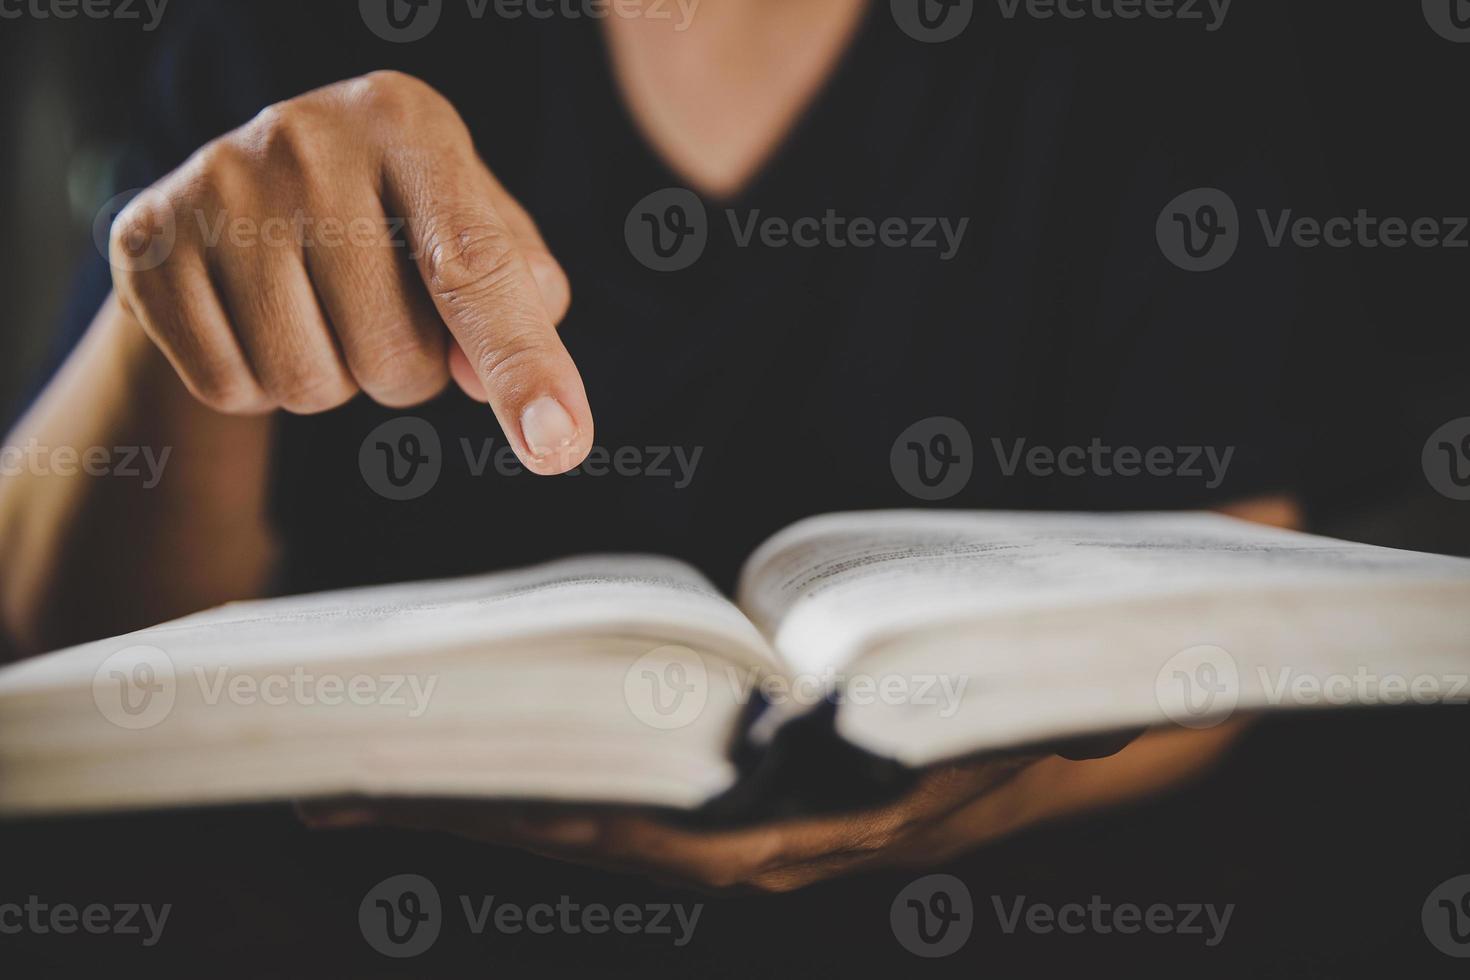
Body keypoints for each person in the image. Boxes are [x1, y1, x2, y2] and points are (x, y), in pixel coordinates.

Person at [0, 0, 1332, 892]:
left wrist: (989, 794)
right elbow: (64, 639)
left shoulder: (1136, 70)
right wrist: (162, 333)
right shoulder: (280, 40)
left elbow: (1236, 572)